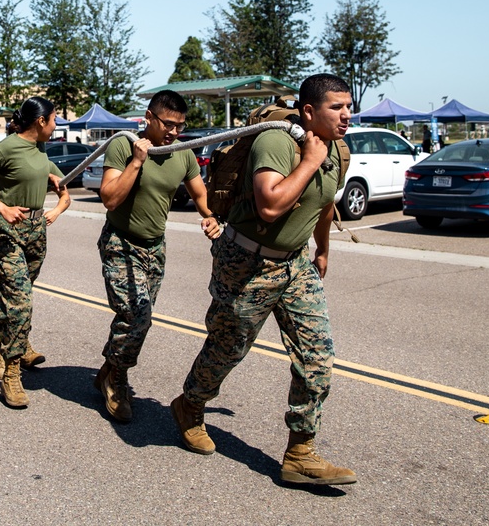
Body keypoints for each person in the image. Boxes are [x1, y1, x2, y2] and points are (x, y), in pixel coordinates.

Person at [170, 73, 358, 486]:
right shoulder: (277, 142)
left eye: (349, 106)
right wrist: (309, 160)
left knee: (317, 358)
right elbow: (270, 206)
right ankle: (190, 405)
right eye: (337, 107)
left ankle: (300, 452)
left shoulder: (337, 150)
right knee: (227, 349)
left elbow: (325, 205)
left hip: (295, 267)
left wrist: (322, 250)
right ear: (310, 111)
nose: (347, 115)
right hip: (247, 265)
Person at [94, 90, 221, 423]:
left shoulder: (181, 153)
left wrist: (209, 215)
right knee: (137, 315)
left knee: (137, 319)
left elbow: (199, 193)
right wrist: (137, 161)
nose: (174, 132)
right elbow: (109, 198)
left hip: (155, 247)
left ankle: (108, 369)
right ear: (148, 118)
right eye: (168, 124)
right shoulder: (124, 145)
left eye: (180, 126)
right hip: (121, 243)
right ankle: (117, 380)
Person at [0, 97, 71, 409]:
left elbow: (44, 175)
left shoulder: (40, 148)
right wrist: (1, 207)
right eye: (54, 120)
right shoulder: (5, 147)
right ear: (41, 121)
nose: (56, 125)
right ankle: (11, 370)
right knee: (21, 300)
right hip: (4, 232)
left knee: (14, 298)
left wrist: (51, 179)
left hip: (36, 232)